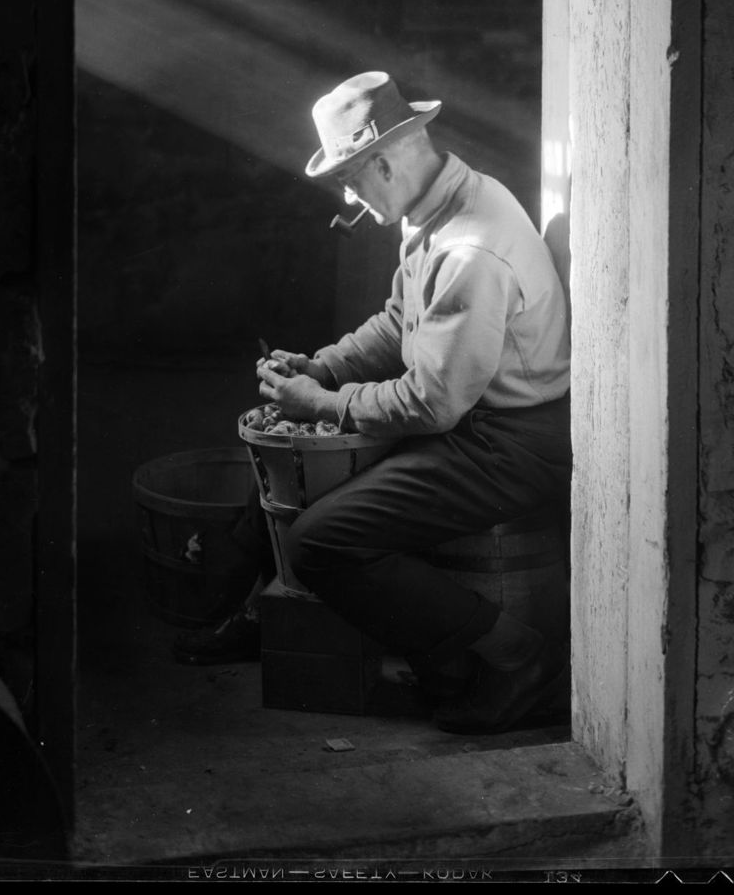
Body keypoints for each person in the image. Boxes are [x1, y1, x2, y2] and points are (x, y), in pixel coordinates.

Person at [174, 70, 572, 735]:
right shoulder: (435, 205)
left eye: (351, 180)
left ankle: (517, 655)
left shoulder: (469, 248)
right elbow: (397, 320)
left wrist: (325, 404)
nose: (349, 196)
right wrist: (323, 368)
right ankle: (256, 616)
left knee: (322, 542)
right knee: (293, 463)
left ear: (384, 161)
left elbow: (432, 404)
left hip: (509, 442)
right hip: (472, 422)